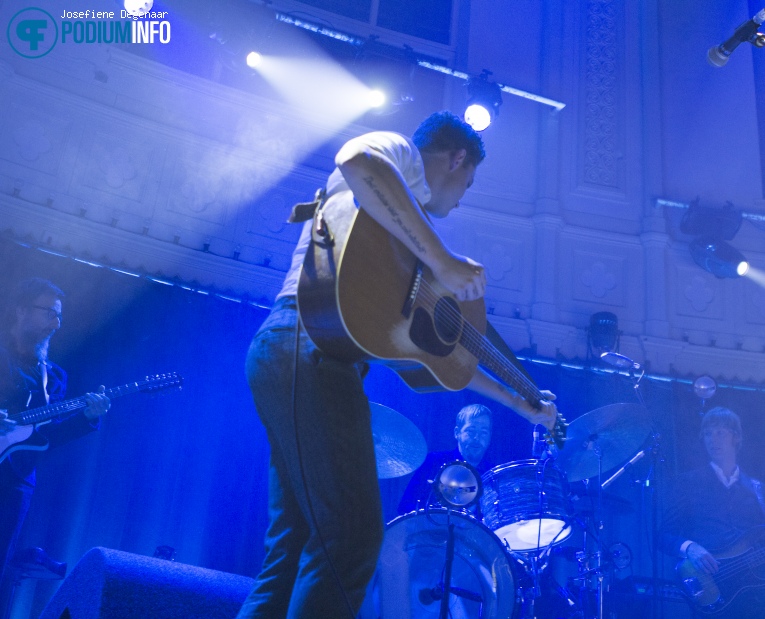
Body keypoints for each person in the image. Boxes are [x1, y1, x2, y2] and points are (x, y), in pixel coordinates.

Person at [237, 111, 559, 619]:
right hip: (308, 351)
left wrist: (521, 403)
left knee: (293, 550)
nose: (459, 198)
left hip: (296, 356)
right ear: (456, 159)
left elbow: (450, 361)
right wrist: (443, 259)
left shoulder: (405, 243)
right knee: (352, 538)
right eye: (466, 183)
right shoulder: (402, 156)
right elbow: (356, 160)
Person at [0, 278, 111, 591]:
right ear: (21, 311)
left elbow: (48, 438)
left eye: (59, 316)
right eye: (49, 313)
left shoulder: (54, 377)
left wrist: (87, 418)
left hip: (14, 483)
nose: (56, 323)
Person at [659, 406, 765, 618]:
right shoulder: (686, 483)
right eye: (707, 433)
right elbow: (662, 535)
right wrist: (690, 548)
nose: (712, 439)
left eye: (720, 432)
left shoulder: (756, 488)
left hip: (753, 594)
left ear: (736, 437)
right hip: (709, 587)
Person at [398, 403, 494, 515]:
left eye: (483, 433)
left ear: (490, 437)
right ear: (457, 433)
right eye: (471, 431)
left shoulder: (492, 474)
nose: (477, 438)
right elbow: (405, 507)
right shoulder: (433, 462)